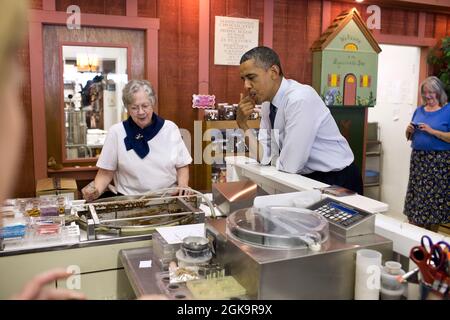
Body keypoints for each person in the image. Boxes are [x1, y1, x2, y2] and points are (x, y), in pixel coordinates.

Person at [236, 46, 363, 194]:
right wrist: (242, 124)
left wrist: (275, 159)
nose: (246, 85)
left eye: (251, 77)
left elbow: (290, 165)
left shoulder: (300, 98)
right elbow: (264, 157)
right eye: (243, 79)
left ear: (273, 72)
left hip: (336, 179)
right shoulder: (266, 104)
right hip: (305, 179)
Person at [82, 79, 192, 201]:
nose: (141, 112)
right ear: (127, 108)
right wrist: (94, 192)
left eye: (145, 106)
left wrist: (183, 185)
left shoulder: (170, 128)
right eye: (134, 108)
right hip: (129, 202)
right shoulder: (116, 132)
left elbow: (182, 165)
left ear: (152, 103)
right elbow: (106, 172)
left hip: (167, 199)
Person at [403, 76, 450, 230]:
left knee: (434, 201)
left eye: (432, 92)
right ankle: (415, 236)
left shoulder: (447, 110)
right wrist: (408, 131)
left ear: (439, 92)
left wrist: (432, 131)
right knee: (417, 198)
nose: (428, 95)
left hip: (438, 162)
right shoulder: (419, 110)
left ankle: (431, 237)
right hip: (418, 160)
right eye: (425, 92)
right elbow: (409, 138)